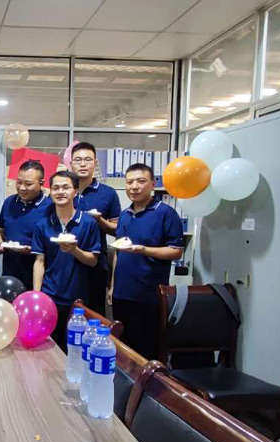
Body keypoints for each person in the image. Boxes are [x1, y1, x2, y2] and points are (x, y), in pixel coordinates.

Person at [109, 163, 184, 360]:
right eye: (129, 182)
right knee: (123, 349)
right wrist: (113, 286)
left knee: (146, 351)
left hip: (149, 295)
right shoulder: (125, 214)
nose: (134, 186)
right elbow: (118, 252)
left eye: (140, 181)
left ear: (153, 184)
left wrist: (144, 250)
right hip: (121, 294)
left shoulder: (165, 213)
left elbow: (176, 251)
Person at [32, 171, 101, 350]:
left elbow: (93, 261)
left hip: (78, 299)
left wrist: (74, 250)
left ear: (75, 191)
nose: (60, 192)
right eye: (56, 188)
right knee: (47, 348)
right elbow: (39, 261)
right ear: (50, 192)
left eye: (66, 187)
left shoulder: (88, 223)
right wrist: (37, 295)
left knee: (74, 349)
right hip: (49, 295)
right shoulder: (42, 224)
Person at [70, 142, 121, 315]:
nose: (83, 164)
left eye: (87, 160)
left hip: (95, 262)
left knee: (95, 313)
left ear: (95, 163)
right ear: (71, 163)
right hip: (65, 262)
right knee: (66, 312)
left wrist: (100, 220)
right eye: (78, 160)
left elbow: (116, 230)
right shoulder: (63, 191)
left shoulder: (108, 193)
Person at [0, 160, 52, 289]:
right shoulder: (9, 202)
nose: (22, 188)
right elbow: (0, 229)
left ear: (41, 183)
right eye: (19, 182)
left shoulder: (50, 207)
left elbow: (53, 243)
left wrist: (34, 249)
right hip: (10, 275)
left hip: (40, 278)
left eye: (28, 184)